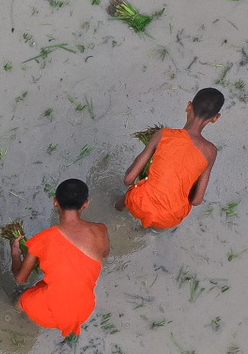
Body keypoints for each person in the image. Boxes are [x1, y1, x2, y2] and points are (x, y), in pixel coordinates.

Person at [11, 178, 111, 338]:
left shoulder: (43, 239)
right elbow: (105, 253)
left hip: (47, 312)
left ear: (55, 202)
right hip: (82, 311)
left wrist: (15, 253)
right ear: (86, 204)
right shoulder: (101, 232)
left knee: (20, 298)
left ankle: (16, 313)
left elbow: (21, 278)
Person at [119, 87, 224, 230]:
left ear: (189, 106)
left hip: (139, 203)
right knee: (162, 219)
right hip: (171, 217)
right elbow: (197, 200)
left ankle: (116, 210)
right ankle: (152, 232)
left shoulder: (164, 135)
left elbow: (128, 179)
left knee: (128, 197)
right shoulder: (210, 152)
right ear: (215, 118)